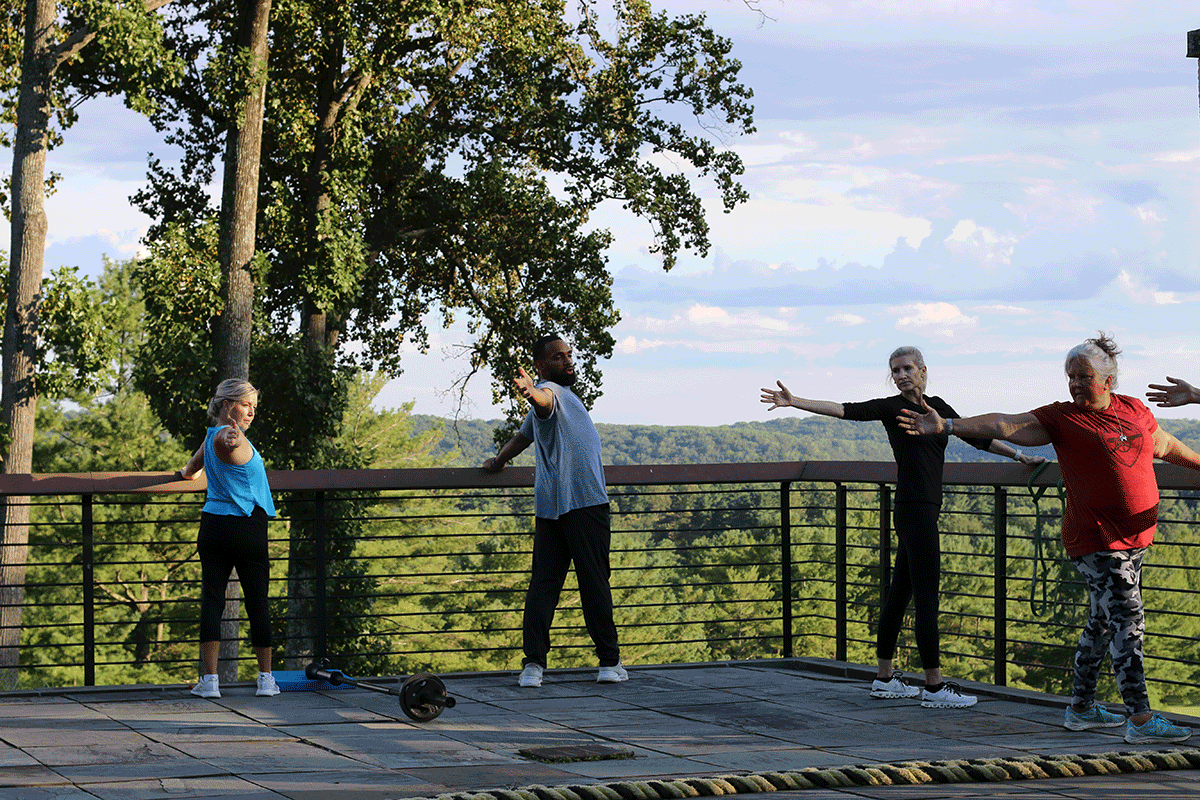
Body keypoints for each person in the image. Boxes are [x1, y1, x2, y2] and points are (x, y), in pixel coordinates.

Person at [899, 333, 1200, 744]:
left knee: (1102, 622)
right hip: (1098, 540)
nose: (1075, 384)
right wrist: (948, 425)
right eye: (1070, 376)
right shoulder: (1062, 418)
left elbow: (1163, 444)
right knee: (1128, 621)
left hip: (1135, 540)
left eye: (1083, 376)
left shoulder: (1133, 409)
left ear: (1108, 380)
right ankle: (1142, 719)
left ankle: (1081, 709)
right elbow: (1005, 424)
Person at [761, 346, 1041, 709]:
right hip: (916, 510)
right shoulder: (891, 407)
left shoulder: (937, 407)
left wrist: (1019, 455)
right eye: (895, 370)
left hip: (917, 510)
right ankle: (935, 688)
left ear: (923, 370)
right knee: (926, 598)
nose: (901, 375)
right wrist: (794, 401)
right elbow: (845, 410)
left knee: (899, 594)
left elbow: (978, 437)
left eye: (907, 368)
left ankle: (884, 679)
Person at [483, 335, 626, 687]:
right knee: (594, 582)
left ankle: (533, 666)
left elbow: (522, 437)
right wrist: (533, 392)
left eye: (568, 355)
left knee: (544, 585)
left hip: (551, 507)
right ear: (541, 366)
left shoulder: (557, 397)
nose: (568, 361)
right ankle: (609, 663)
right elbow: (543, 401)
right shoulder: (552, 393)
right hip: (584, 502)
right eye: (558, 357)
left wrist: (498, 461)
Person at [181, 378, 280, 699]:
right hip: (247, 528)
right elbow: (229, 441)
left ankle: (210, 682)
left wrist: (198, 468)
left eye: (254, 407)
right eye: (244, 405)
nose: (250, 412)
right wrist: (232, 439)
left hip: (213, 526)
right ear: (226, 405)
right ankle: (266, 680)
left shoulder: (209, 437)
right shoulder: (227, 435)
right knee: (257, 600)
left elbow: (189, 471)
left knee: (212, 600)